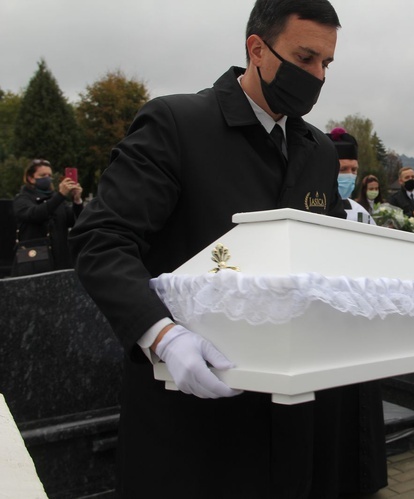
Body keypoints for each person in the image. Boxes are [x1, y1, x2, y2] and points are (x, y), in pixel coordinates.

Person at [69, 1, 386, 497]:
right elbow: (102, 239)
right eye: (305, 59)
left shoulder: (318, 151)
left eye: (326, 64)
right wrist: (163, 336)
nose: (318, 75)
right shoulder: (177, 124)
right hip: (194, 411)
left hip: (292, 409)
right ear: (256, 49)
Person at [12, 158, 83, 275]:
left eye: (49, 175)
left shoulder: (56, 199)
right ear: (31, 178)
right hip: (34, 261)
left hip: (60, 261)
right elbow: (36, 214)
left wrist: (77, 201)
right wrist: (60, 195)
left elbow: (74, 220)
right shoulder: (23, 199)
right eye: (43, 175)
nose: (47, 178)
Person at [327, 127, 376, 224]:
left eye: (354, 169)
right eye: (343, 169)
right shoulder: (309, 209)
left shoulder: (360, 213)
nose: (350, 175)